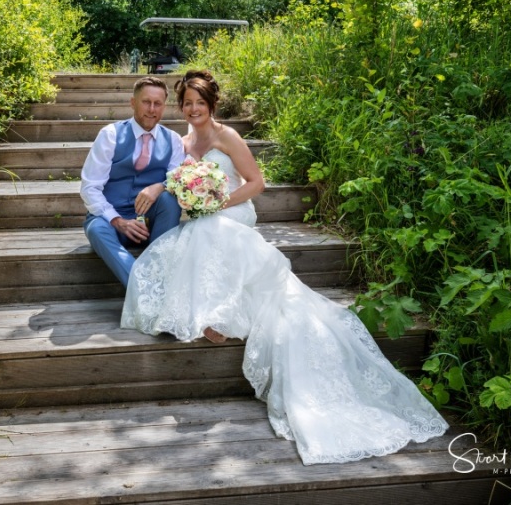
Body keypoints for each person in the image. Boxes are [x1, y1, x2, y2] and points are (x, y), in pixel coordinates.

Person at [120, 70, 449, 465]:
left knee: (211, 230)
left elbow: (256, 182)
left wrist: (216, 204)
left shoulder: (228, 136)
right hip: (204, 213)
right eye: (187, 103)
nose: (192, 110)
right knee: (193, 235)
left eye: (199, 104)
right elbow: (176, 183)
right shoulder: (182, 142)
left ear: (212, 105)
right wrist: (187, 198)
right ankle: (206, 310)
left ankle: (217, 317)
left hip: (233, 208)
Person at [81, 76, 185, 287]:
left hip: (151, 224)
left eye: (158, 103)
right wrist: (117, 220)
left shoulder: (173, 139)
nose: (151, 109)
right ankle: (144, 289)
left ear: (164, 106)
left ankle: (158, 270)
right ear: (132, 103)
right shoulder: (110, 135)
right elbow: (90, 187)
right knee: (95, 229)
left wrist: (160, 186)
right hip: (112, 219)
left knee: (169, 199)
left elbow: (177, 179)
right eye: (146, 102)